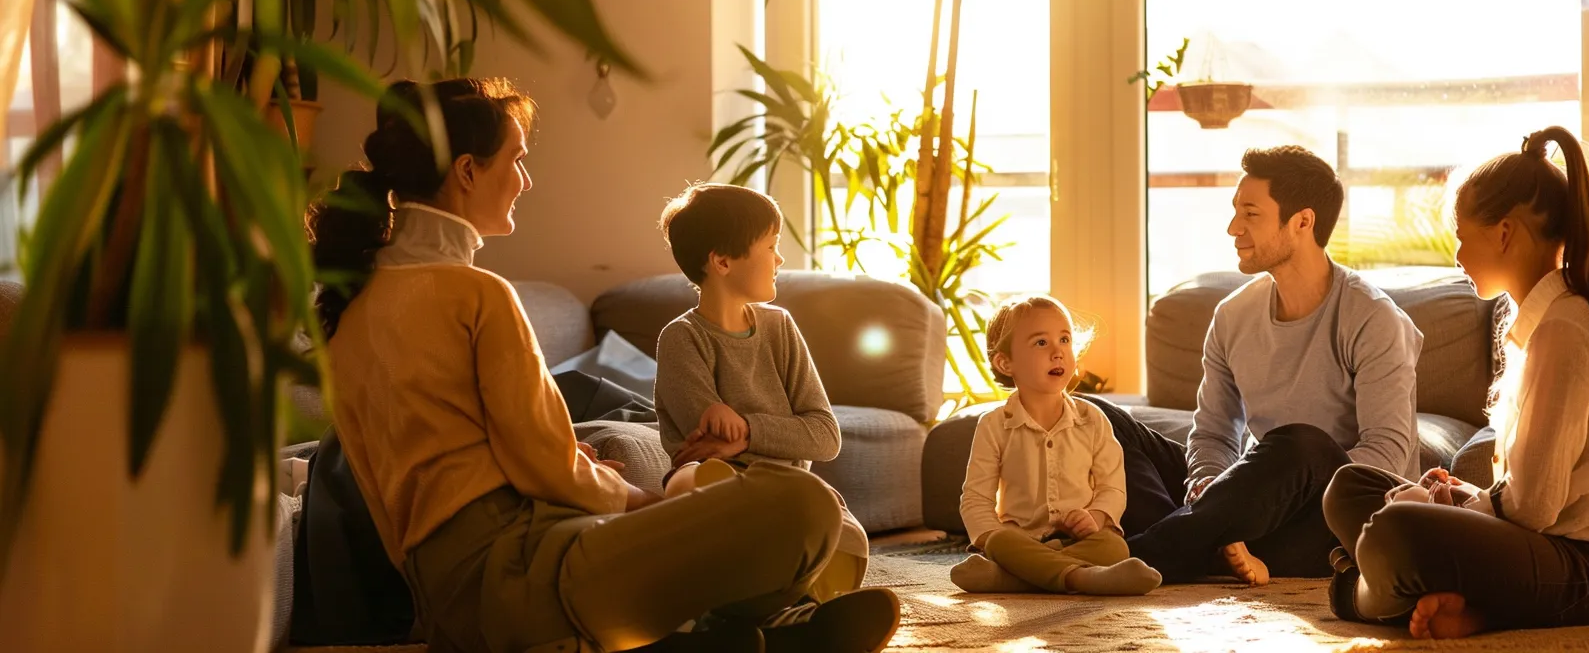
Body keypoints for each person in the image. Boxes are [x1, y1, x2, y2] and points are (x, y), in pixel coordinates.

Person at [309, 78, 898, 653]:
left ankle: (739, 638)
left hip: (455, 599)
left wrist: (566, 464)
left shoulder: (350, 310)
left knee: (755, 528)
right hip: (524, 577)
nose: (525, 179)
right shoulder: (475, 293)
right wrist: (648, 503)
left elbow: (439, 470)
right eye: (515, 161)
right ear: (467, 171)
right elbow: (544, 466)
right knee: (806, 507)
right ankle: (756, 626)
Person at [1323, 126, 1589, 639]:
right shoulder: (1544, 321)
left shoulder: (1567, 329)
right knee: (1350, 488)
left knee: (1395, 531)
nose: (1458, 256)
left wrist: (1448, 507)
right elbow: (1536, 491)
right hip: (1553, 543)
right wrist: (1463, 495)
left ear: (1504, 233)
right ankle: (1454, 603)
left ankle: (1358, 592)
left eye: (1463, 237)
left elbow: (1534, 507)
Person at [1120, 146, 1425, 585]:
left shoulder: (1372, 317)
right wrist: (1210, 484)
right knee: (1103, 422)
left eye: (1250, 214)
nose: (1233, 228)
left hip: (1335, 520)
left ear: (1302, 222)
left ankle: (1143, 553)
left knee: (1303, 445)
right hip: (1250, 501)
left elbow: (1385, 456)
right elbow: (1213, 432)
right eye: (1235, 212)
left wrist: (1267, 499)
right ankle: (1203, 539)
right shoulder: (1232, 315)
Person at [651, 182, 872, 604]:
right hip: (720, 484)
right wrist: (732, 433)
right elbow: (706, 436)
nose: (780, 258)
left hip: (785, 488)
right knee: (693, 482)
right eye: (771, 246)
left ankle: (787, 603)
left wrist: (748, 433)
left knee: (846, 536)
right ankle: (770, 601)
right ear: (722, 261)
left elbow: (825, 436)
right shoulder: (681, 338)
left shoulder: (780, 327)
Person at [949, 296, 1163, 596]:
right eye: (1040, 343)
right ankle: (1084, 579)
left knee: (1115, 546)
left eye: (1064, 339)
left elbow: (1112, 488)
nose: (1058, 352)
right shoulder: (994, 425)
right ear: (1005, 362)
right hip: (1020, 540)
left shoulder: (1093, 420)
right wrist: (989, 537)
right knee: (999, 541)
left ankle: (1009, 580)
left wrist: (1095, 517)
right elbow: (975, 500)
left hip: (1082, 541)